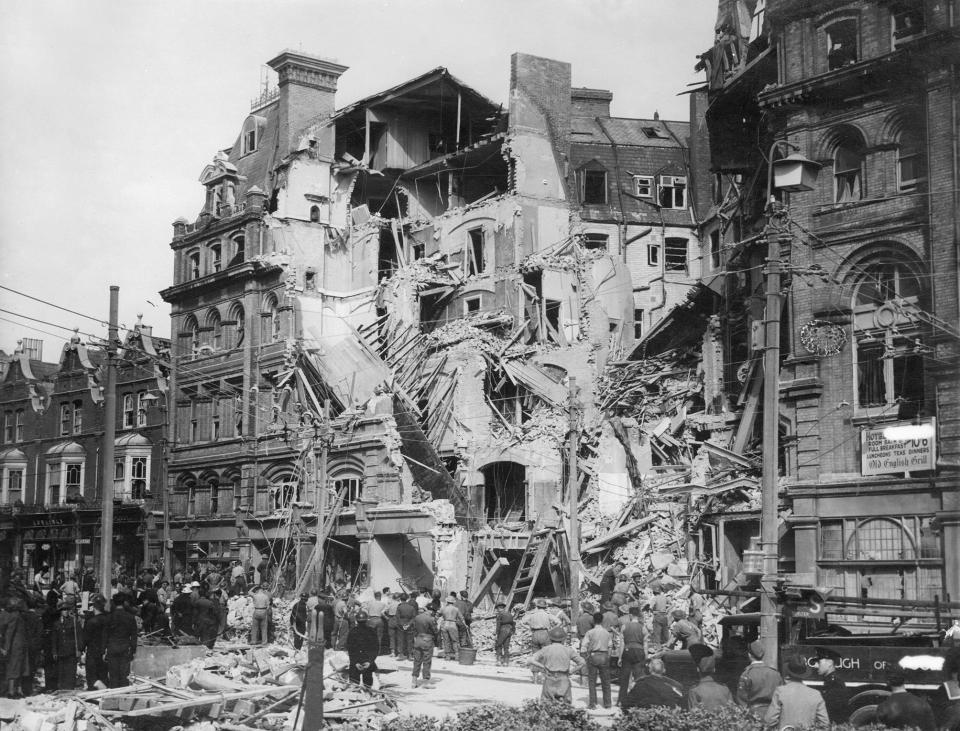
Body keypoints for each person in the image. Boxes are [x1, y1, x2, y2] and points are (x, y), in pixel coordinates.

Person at [764, 655, 829, 731]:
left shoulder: (781, 691)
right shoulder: (816, 694)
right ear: (804, 674)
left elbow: (769, 721)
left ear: (788, 673)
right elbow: (825, 724)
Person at [528, 626, 585, 703]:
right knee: (565, 706)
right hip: (563, 679)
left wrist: (543, 667)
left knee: (546, 705)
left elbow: (531, 660)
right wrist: (571, 672)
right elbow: (582, 662)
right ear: (563, 639)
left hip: (549, 678)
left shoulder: (546, 649)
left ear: (550, 638)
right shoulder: (568, 650)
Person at [735, 639, 782, 718]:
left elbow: (741, 701)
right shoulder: (776, 674)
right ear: (763, 654)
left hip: (753, 716)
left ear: (749, 655)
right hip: (773, 715)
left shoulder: (747, 674)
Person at [621, 658, 686, 709]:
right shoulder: (674, 685)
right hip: (667, 719)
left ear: (649, 670)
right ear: (664, 670)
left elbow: (626, 704)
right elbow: (680, 704)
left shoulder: (640, 684)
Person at [580, 611, 613, 710]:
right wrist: (608, 657)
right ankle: (607, 703)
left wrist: (585, 656)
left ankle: (592, 703)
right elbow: (610, 646)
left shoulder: (590, 632)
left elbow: (584, 646)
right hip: (604, 656)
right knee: (606, 681)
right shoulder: (607, 633)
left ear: (594, 621)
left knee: (592, 681)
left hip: (593, 655)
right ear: (602, 621)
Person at [106, 598, 139, 688]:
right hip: (125, 647)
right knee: (124, 675)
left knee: (113, 674)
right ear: (124, 604)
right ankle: (123, 696)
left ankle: (114, 694)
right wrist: (133, 650)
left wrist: (104, 648)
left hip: (112, 647)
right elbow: (134, 635)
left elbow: (105, 634)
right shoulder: (130, 617)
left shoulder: (109, 617)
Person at [0, 598, 30, 698]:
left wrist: (6, 648)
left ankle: (14, 691)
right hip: (18, 646)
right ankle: (15, 691)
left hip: (17, 647)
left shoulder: (16, 616)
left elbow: (10, 633)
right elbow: (11, 633)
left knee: (16, 668)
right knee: (17, 668)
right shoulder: (18, 616)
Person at [51, 595, 82, 690]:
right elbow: (54, 638)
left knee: (71, 671)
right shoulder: (56, 624)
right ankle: (62, 688)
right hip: (61, 650)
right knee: (61, 671)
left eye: (67, 610)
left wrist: (79, 649)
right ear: (60, 611)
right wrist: (54, 651)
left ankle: (70, 687)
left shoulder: (73, 622)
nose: (65, 612)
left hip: (71, 650)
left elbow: (78, 636)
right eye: (63, 610)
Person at [81, 595, 109, 690]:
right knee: (103, 674)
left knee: (92, 675)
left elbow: (85, 638)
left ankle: (93, 694)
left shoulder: (91, 622)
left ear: (94, 606)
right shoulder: (108, 619)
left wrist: (80, 649)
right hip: (104, 651)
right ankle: (104, 695)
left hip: (92, 651)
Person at [618, 605, 646, 703]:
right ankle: (638, 700)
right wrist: (645, 656)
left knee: (624, 677)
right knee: (639, 677)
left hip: (627, 650)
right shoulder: (643, 627)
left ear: (630, 615)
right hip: (639, 651)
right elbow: (645, 643)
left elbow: (622, 643)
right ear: (638, 615)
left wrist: (620, 657)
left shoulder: (624, 626)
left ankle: (621, 700)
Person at [345, 611, 380, 687]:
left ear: (356, 621)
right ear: (367, 620)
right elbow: (376, 649)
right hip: (366, 661)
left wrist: (355, 662)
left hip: (357, 661)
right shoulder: (371, 631)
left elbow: (350, 649)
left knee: (354, 684)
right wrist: (370, 661)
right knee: (367, 685)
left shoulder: (352, 631)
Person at [814, 647, 848, 723]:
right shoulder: (830, 681)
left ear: (829, 663)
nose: (816, 666)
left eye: (819, 662)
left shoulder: (835, 683)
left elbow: (834, 713)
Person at [411, 604, 437, 688]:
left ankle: (414, 681)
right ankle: (426, 682)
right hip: (427, 640)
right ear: (432, 611)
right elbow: (435, 631)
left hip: (418, 640)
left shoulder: (417, 617)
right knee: (427, 661)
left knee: (417, 661)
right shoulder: (431, 619)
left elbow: (414, 629)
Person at [438, 596, 463, 660]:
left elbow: (438, 615)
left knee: (446, 641)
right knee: (455, 641)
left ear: (447, 602)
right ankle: (457, 655)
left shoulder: (443, 608)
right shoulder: (456, 609)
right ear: (453, 602)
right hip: (453, 624)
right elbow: (461, 618)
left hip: (445, 624)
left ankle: (447, 656)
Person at [395, 593, 416, 660]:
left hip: (401, 626)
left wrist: (402, 625)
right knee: (409, 640)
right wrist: (408, 624)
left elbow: (397, 617)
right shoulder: (411, 607)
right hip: (409, 626)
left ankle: (401, 654)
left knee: (400, 640)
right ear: (407, 599)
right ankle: (410, 655)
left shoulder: (399, 607)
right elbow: (413, 618)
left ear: (400, 599)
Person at [494, 601, 515, 666]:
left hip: (503, 630)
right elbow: (513, 623)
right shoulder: (509, 614)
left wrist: (496, 633)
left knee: (498, 645)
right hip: (510, 630)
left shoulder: (500, 615)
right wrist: (512, 631)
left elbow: (498, 625)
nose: (497, 610)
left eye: (497, 608)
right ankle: (506, 662)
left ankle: (499, 661)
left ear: (499, 608)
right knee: (506, 647)